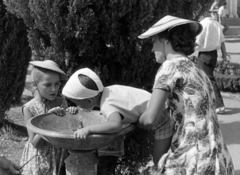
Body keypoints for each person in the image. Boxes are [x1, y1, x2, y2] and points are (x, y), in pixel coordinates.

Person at [137, 15, 234, 174]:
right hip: (219, 159)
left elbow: (149, 119)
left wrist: (133, 118)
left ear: (164, 39)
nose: (152, 48)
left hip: (194, 160)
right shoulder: (198, 71)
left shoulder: (170, 67)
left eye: (153, 41)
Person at [61, 68, 175, 166]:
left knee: (159, 162)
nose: (76, 106)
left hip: (162, 119)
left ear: (89, 100)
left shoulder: (107, 106)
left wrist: (88, 129)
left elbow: (115, 124)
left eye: (76, 102)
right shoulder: (110, 90)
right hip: (164, 108)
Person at [20, 60, 77, 175]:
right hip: (39, 161)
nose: (53, 89)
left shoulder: (61, 101)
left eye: (57, 84)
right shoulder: (29, 108)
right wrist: (48, 120)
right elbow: (35, 143)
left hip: (60, 156)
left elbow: (67, 127)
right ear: (36, 84)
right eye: (48, 85)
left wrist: (71, 113)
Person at [195, 13, 228, 114]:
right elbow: (222, 42)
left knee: (208, 80)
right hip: (213, 54)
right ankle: (206, 103)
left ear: (203, 15)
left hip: (204, 55)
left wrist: (186, 51)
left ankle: (219, 105)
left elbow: (198, 41)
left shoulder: (202, 24)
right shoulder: (217, 24)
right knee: (204, 79)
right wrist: (225, 55)